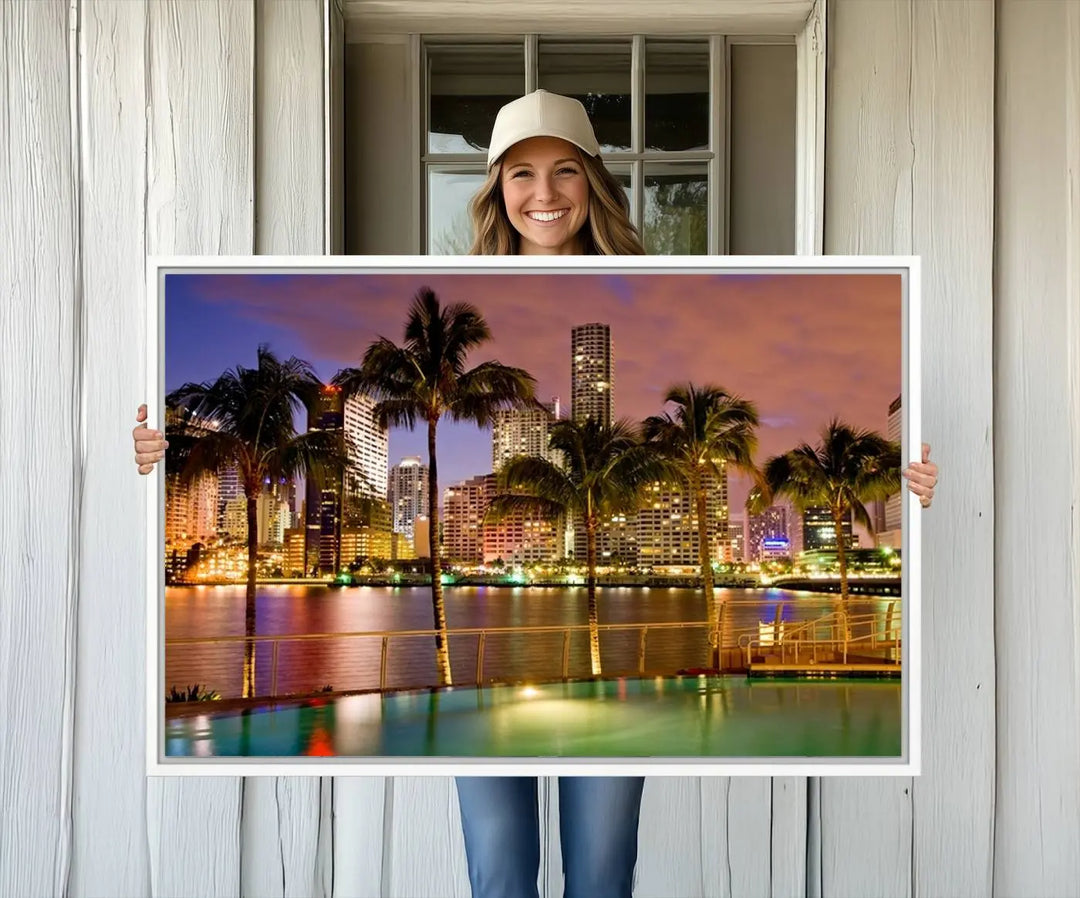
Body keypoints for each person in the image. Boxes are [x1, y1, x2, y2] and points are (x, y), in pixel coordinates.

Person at [132, 90, 940, 898]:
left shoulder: (659, 284)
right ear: (495, 188)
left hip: (599, 690)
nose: (544, 194)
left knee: (601, 871)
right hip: (493, 703)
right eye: (521, 173)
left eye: (564, 171)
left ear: (593, 181)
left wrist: (906, 484)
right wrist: (159, 453)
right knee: (499, 871)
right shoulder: (450, 302)